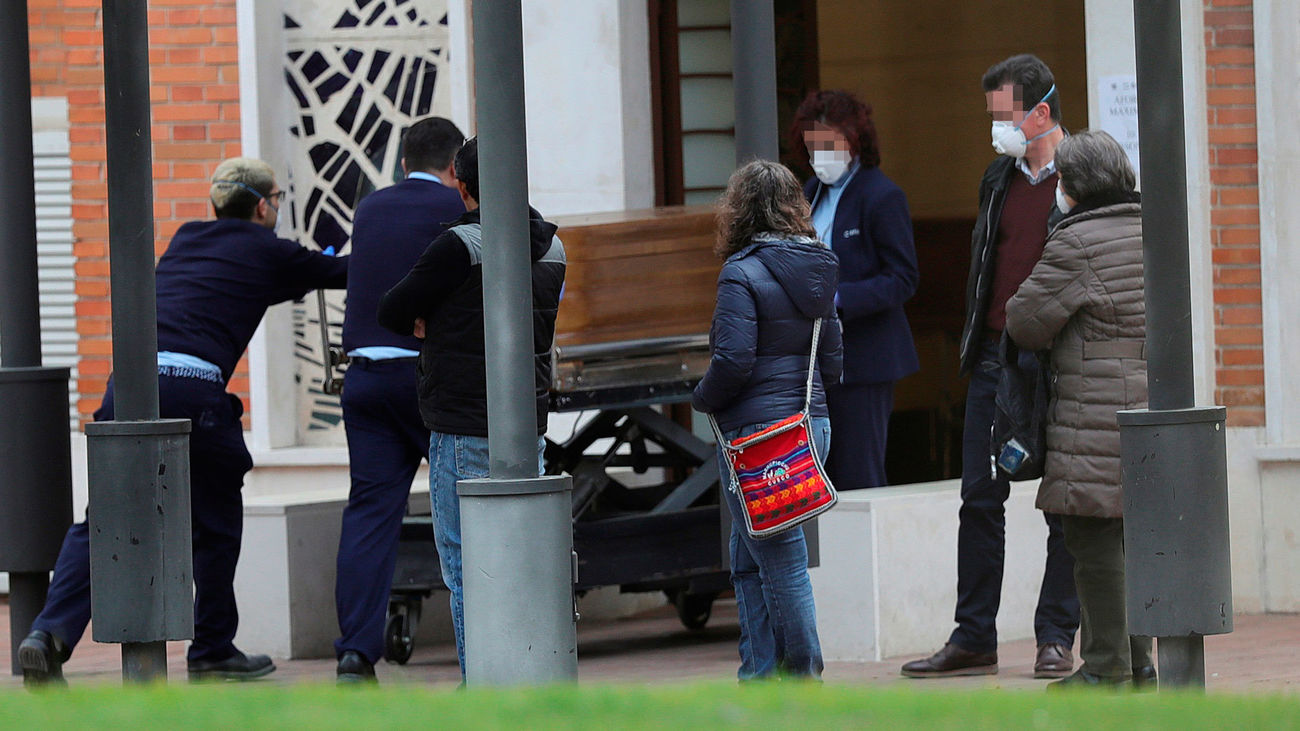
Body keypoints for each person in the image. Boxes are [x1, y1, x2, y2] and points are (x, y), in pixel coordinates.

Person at [19, 158, 349, 685]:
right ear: (263, 206)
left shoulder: (188, 238)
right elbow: (337, 272)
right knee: (214, 523)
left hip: (128, 386)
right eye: (279, 201)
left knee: (102, 520)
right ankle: (213, 649)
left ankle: (47, 634)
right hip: (194, 391)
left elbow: (244, 282)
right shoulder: (268, 249)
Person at [902, 54, 1080, 679]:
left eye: (1003, 115)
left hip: (1059, 366)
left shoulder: (1080, 178)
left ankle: (1056, 636)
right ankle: (973, 635)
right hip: (992, 360)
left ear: (1040, 112)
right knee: (979, 497)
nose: (996, 128)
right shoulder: (997, 179)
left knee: (1065, 501)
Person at [376, 137, 566, 679]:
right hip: (526, 426)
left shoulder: (459, 246)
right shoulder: (554, 248)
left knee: (468, 572)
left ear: (461, 184)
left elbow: (391, 309)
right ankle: (523, 683)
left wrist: (428, 317)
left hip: (462, 427)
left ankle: (482, 686)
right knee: (520, 571)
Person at [1005, 129, 1155, 689]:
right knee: (1132, 541)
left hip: (1095, 411)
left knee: (1093, 543)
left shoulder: (1077, 242)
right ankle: (1139, 665)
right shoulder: (1153, 228)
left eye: (1062, 179)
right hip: (1150, 408)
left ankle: (1105, 669)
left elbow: (1025, 320)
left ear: (1075, 185)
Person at [692, 160, 843, 681]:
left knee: (780, 561)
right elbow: (835, 359)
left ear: (739, 209)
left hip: (760, 439)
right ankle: (758, 675)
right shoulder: (820, 266)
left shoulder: (741, 271)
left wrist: (702, 397)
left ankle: (803, 679)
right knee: (748, 558)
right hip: (808, 426)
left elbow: (733, 361)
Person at [333, 117, 466, 682]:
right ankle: (481, 652)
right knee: (465, 513)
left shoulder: (367, 209)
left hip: (364, 380)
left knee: (368, 515)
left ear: (404, 163)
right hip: (428, 380)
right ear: (456, 168)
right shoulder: (460, 215)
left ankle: (355, 653)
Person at [790, 90, 918, 490]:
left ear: (854, 141)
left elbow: (903, 278)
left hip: (865, 359)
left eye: (830, 144)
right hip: (812, 360)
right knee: (815, 474)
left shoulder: (882, 196)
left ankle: (864, 555)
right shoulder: (809, 192)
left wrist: (842, 298)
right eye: (814, 146)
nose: (821, 155)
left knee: (858, 472)